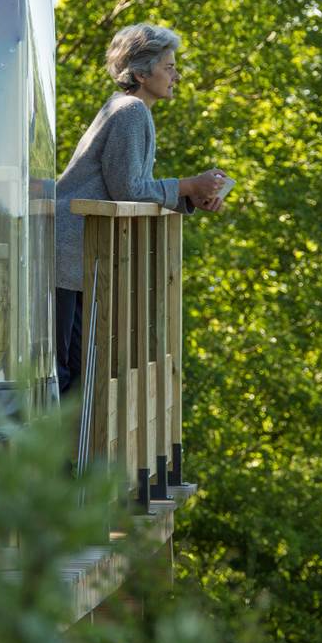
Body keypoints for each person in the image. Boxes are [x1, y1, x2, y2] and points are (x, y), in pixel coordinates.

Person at [54, 24, 226, 394]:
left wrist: (190, 197)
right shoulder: (130, 111)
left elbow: (129, 185)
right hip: (69, 256)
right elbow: (128, 189)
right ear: (142, 73)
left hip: (77, 258)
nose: (176, 76)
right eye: (169, 67)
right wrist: (188, 185)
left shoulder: (127, 109)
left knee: (76, 370)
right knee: (66, 371)